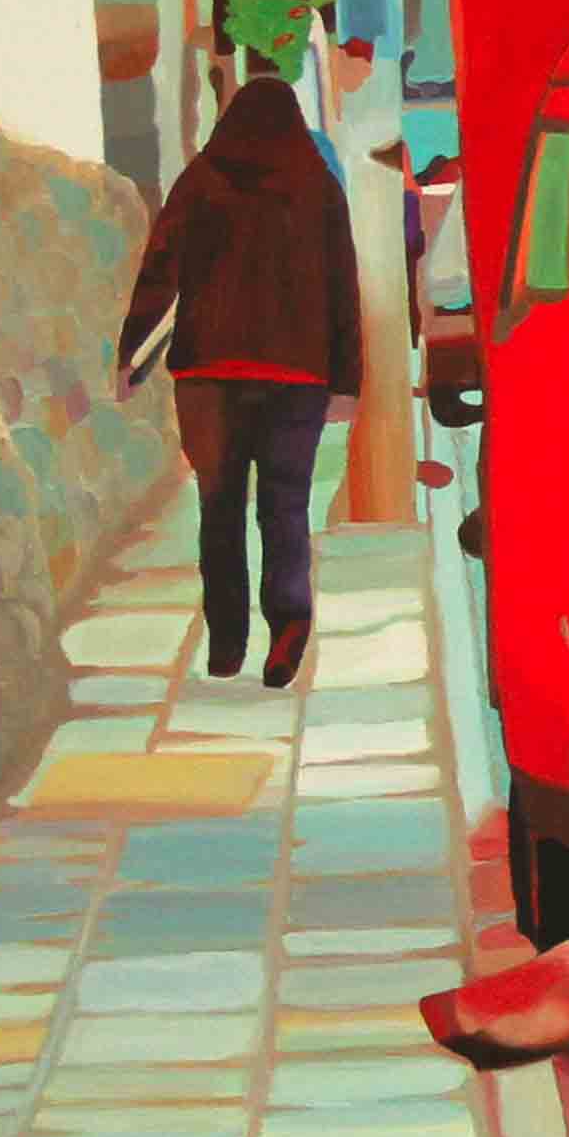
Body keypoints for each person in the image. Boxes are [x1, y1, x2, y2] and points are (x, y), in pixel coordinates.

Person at [116, 75, 363, 685]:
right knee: (285, 508)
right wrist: (346, 382)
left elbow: (159, 272)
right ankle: (287, 630)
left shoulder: (200, 180)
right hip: (296, 378)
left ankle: (227, 643)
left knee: (219, 508)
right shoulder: (318, 188)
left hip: (209, 376)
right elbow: (342, 289)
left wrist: (130, 355)